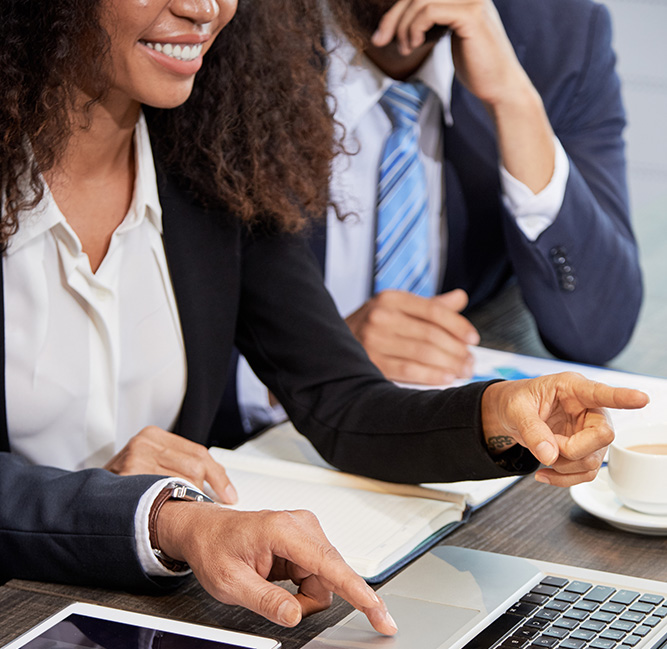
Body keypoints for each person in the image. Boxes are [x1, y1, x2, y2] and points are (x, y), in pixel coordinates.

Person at [0, 0, 648, 635]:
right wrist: (155, 517)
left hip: (130, 611)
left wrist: (501, 416)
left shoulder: (210, 155)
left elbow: (341, 401)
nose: (203, 8)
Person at [297, 0, 642, 386]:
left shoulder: (561, 37)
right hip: (264, 423)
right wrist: (322, 361)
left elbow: (598, 331)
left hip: (444, 415)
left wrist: (513, 101)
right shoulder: (234, 26)